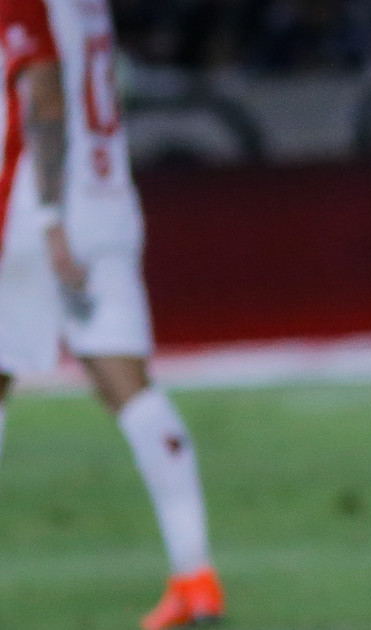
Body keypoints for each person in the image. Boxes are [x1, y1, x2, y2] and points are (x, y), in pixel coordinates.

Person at [0, 1, 225, 629]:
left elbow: (44, 93)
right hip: (109, 202)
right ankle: (196, 576)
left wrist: (49, 219)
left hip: (38, 217)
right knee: (128, 387)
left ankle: (195, 578)